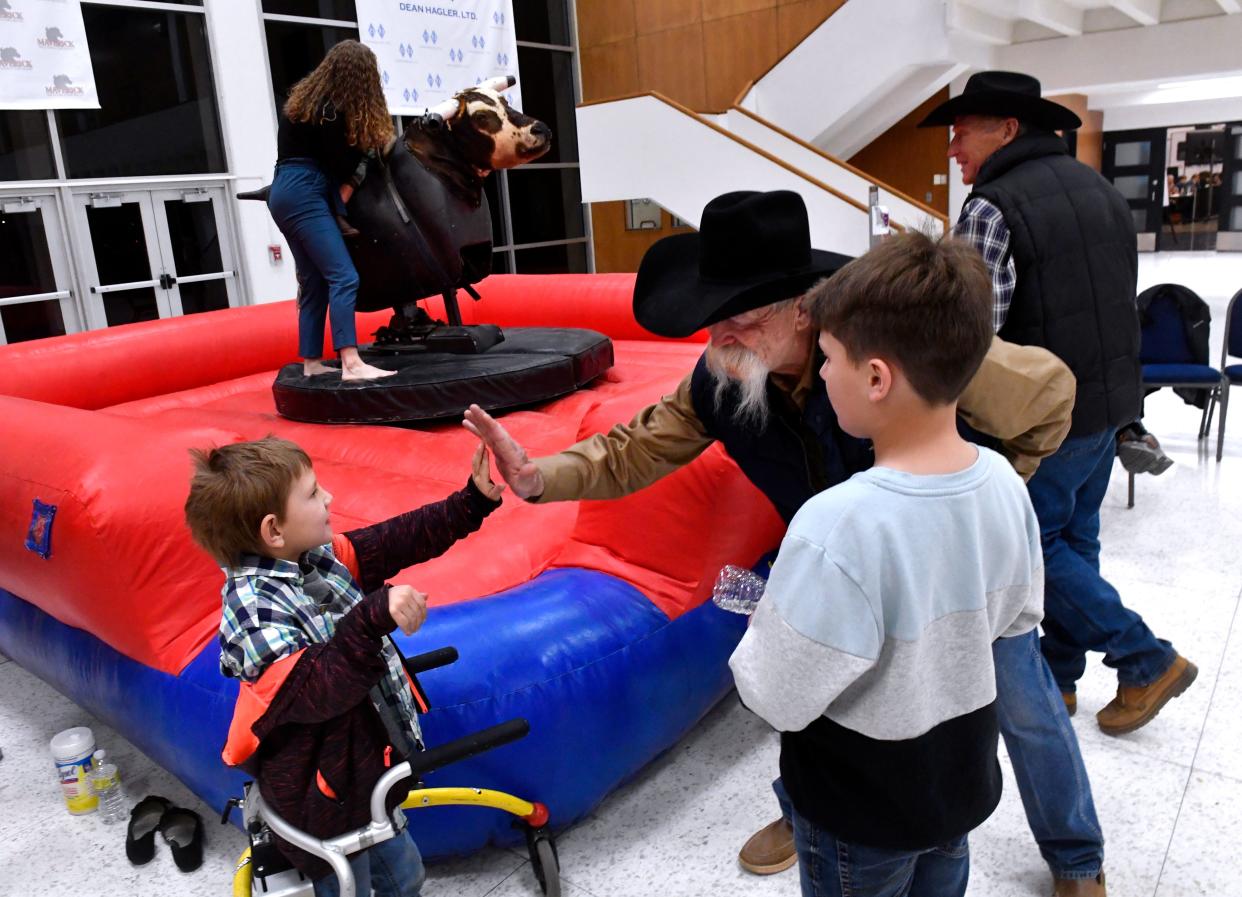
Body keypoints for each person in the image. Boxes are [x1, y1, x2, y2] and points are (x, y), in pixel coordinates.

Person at [463, 190, 1109, 896]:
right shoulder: (726, 377)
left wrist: (959, 508)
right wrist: (536, 476)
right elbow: (634, 449)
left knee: (1018, 696)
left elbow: (1049, 401)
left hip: (944, 580)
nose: (718, 343)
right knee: (821, 694)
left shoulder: (903, 348)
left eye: (739, 320)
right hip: (838, 564)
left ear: (803, 309)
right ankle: (807, 813)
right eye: (712, 325)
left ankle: (1076, 854)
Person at [728, 231, 1044, 897]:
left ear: (876, 378)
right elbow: (1017, 617)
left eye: (829, 358)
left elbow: (777, 691)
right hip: (956, 784)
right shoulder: (1005, 484)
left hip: (859, 809)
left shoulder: (836, 523)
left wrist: (775, 621)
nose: (821, 372)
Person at [923, 71, 1196, 744]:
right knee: (1076, 540)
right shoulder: (1102, 192)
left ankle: (1146, 656)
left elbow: (970, 332)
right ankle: (1062, 675)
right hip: (1108, 403)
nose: (954, 149)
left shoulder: (991, 208)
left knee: (1035, 552)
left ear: (1008, 129)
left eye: (963, 133)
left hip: (1040, 417)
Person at [184, 436, 504, 897]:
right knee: (345, 885)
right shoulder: (253, 612)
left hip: (362, 775)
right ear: (273, 530)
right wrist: (374, 613)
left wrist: (470, 503)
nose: (329, 498)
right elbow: (318, 687)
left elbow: (392, 541)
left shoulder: (309, 559)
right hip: (323, 801)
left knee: (404, 876)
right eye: (313, 494)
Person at [269, 40, 395, 381]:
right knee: (344, 275)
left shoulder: (303, 104)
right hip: (306, 190)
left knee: (314, 282)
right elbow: (339, 164)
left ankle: (311, 362)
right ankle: (351, 362)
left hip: (283, 188)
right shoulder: (331, 111)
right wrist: (366, 152)